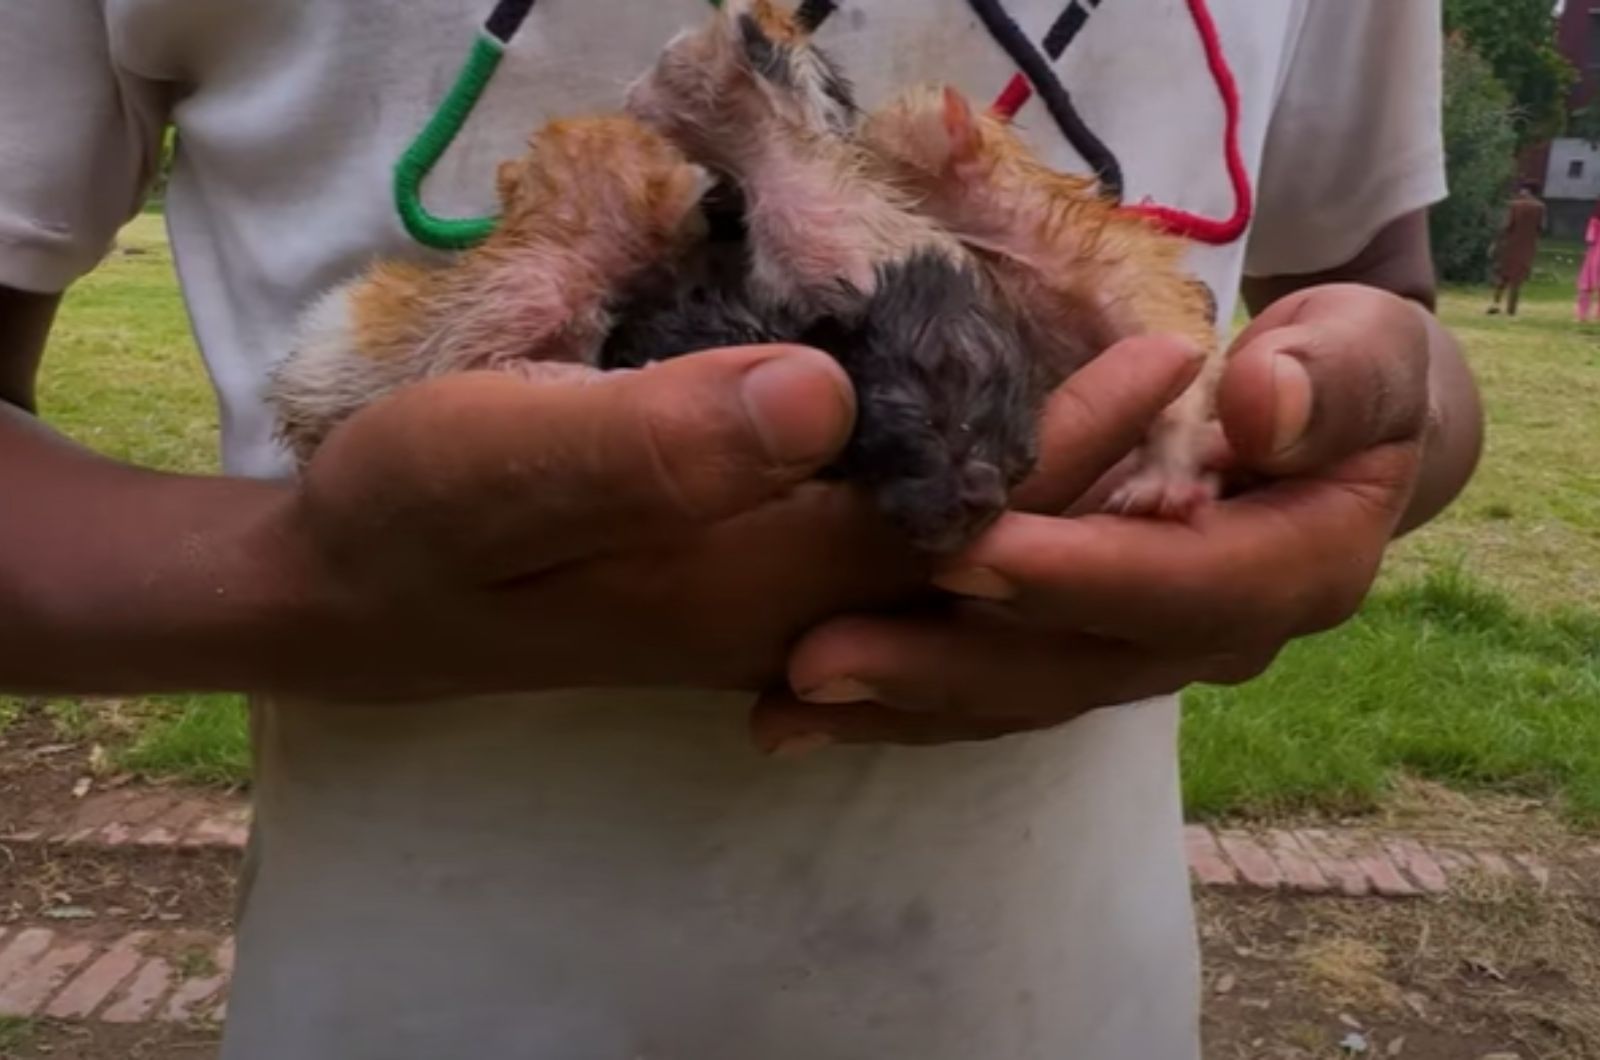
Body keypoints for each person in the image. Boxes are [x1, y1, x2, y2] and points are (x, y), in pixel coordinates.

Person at [0, 1, 1480, 1057]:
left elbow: (1370, 306)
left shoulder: (906, 224)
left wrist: (1354, 443)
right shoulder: (683, 219)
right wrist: (300, 581)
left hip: (1073, 1001)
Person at [1488, 181, 1546, 316]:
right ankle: (1511, 309)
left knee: (1503, 276)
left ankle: (1495, 304)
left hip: (1510, 245)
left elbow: (1507, 225)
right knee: (1517, 279)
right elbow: (1541, 228)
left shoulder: (1515, 205)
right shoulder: (1540, 208)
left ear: (1525, 191)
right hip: (1527, 247)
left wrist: (1496, 242)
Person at [1577, 197, 1600, 323]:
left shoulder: (1595, 220)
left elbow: (1590, 238)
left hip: (1595, 253)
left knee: (1586, 285)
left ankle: (1583, 314)